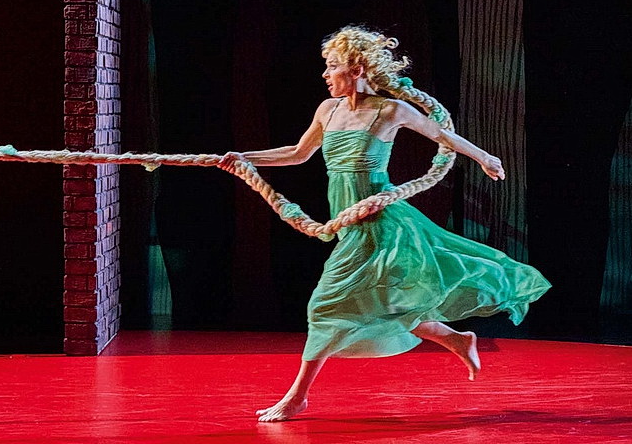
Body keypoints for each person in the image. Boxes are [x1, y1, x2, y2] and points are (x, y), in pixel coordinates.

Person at [218, 27, 551, 422]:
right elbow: (297, 153)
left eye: (332, 66)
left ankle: (297, 397)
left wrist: (485, 158)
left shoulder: (390, 111)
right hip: (349, 222)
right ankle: (457, 339)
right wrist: (245, 157)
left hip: (380, 219)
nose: (325, 74)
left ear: (356, 69)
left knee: (325, 305)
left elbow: (441, 134)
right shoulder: (328, 110)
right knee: (386, 301)